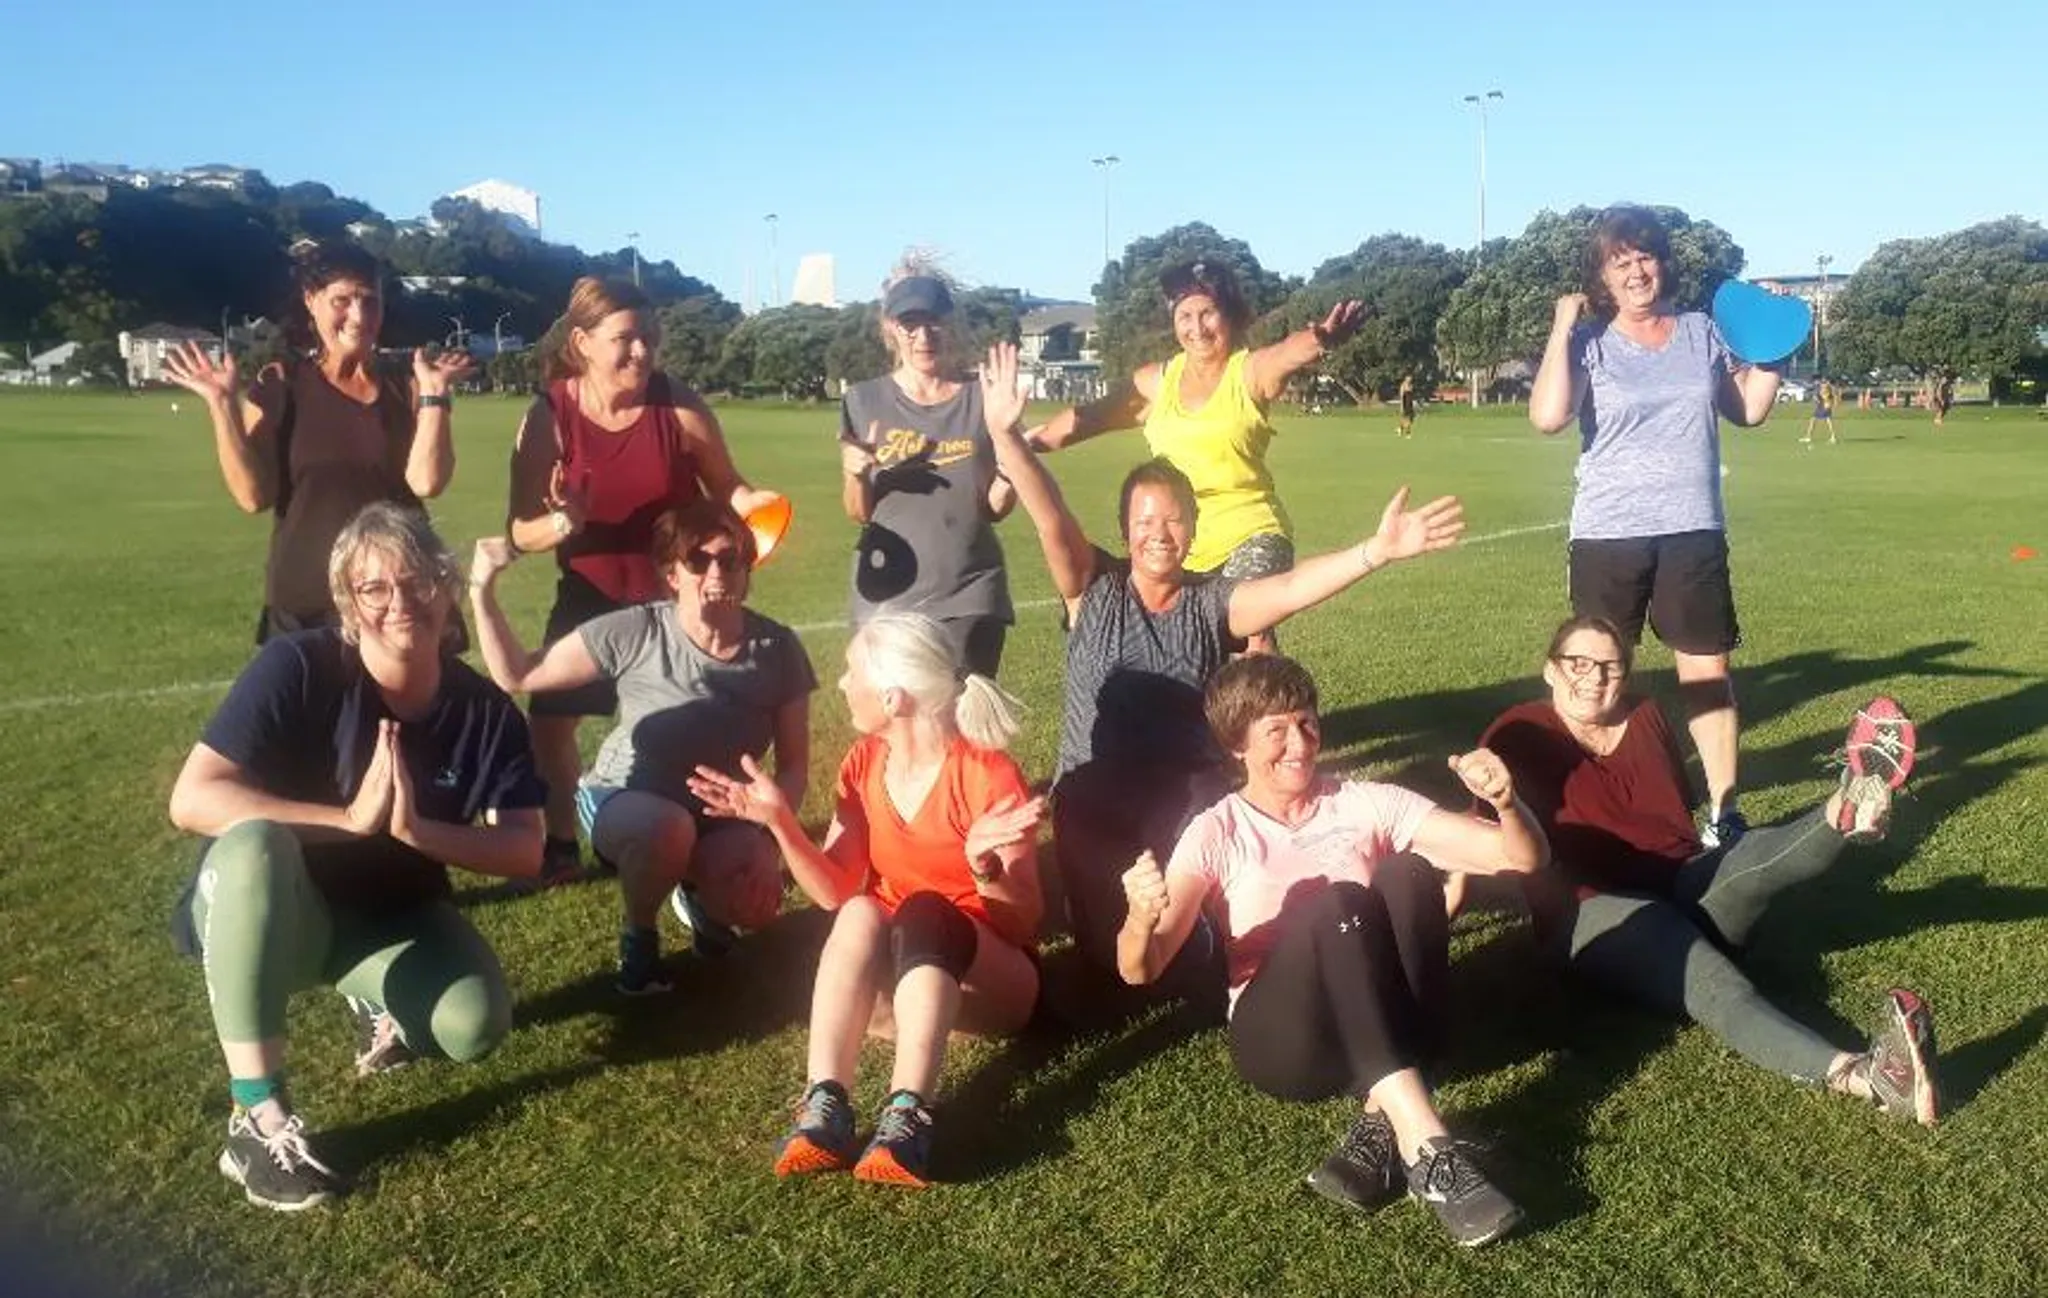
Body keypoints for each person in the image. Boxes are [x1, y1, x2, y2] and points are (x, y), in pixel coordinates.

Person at [979, 341, 1466, 1004]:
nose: (1159, 532)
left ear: (1194, 524)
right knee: (1110, 962)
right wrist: (1007, 436)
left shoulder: (1214, 602)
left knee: (1187, 964)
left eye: (1174, 518)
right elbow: (1046, 511)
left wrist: (1374, 552)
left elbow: (1291, 588)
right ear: (1124, 528)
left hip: (1185, 802)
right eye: (1145, 520)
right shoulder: (1091, 587)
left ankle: (1254, 934)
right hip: (1093, 804)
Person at [165, 503, 546, 1212]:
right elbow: (192, 798)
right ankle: (256, 1115)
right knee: (254, 844)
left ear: (446, 588)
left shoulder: (486, 710)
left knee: (474, 1025)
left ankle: (368, 991)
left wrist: (419, 833)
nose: (401, 602)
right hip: (276, 906)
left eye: (419, 581)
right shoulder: (298, 666)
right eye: (376, 588)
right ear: (348, 603)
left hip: (383, 918)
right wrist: (346, 821)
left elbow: (527, 850)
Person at [1118, 655, 1546, 1247]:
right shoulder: (1217, 831)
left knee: (1409, 875)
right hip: (1288, 1044)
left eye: (1307, 722)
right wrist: (1141, 919)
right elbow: (1142, 967)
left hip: (1380, 1022)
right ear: (1237, 744)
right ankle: (1428, 1147)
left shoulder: (1361, 800)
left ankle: (1382, 1120)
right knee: (1338, 904)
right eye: (1277, 731)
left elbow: (1523, 859)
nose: (1300, 743)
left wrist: (1506, 803)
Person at [1476, 614, 1939, 1127]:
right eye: (1577, 663)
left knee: (1751, 860)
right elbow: (1482, 842)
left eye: (1609, 666)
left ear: (1625, 674)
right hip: (1591, 910)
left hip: (1679, 880)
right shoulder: (1517, 734)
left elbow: (1671, 824)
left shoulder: (1646, 716)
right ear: (1550, 670)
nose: (1593, 677)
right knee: (1710, 977)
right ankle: (1863, 1075)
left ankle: (1847, 806)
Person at [689, 613, 1043, 1188]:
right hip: (910, 973)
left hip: (997, 981)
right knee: (859, 911)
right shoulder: (863, 763)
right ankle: (825, 1106)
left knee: (927, 912)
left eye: (853, 671)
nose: (842, 684)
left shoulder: (985, 773)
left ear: (894, 696)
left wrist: (984, 869)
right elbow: (833, 889)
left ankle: (907, 1117)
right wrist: (780, 823)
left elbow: (1025, 920)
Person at [469, 500, 815, 993]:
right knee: (666, 831)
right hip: (625, 798)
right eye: (698, 560)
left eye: (730, 559)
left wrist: (769, 838)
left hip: (719, 811)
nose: (716, 571)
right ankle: (640, 937)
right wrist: (481, 590)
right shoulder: (639, 630)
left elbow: (795, 765)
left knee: (754, 900)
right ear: (672, 574)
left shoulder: (778, 648)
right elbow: (519, 674)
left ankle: (697, 896)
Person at [503, 276, 782, 881]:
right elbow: (517, 529)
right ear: (582, 342)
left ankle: (689, 831)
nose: (641, 352)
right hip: (590, 598)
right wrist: (561, 522)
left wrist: (752, 499)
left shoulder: (678, 405)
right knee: (550, 722)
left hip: (673, 602)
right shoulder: (549, 415)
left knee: (687, 725)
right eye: (625, 339)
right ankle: (560, 841)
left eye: (650, 338)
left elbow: (725, 483)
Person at [1527, 205, 1782, 849]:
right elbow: (1549, 417)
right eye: (1621, 261)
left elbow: (1746, 409)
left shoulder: (1702, 332)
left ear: (1661, 263)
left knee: (1705, 675)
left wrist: (1775, 344)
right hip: (1608, 532)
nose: (1636, 270)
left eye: (1645, 256)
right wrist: (1562, 329)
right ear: (1603, 277)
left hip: (1692, 528)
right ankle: (1591, 807)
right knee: (1598, 675)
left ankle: (1725, 812)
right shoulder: (1588, 342)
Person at [1028, 261, 1366, 650]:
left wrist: (1318, 339)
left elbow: (1286, 353)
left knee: (1246, 632)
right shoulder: (1158, 382)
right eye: (1185, 316)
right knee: (1184, 645)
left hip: (1251, 533)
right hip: (1177, 539)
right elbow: (1088, 419)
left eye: (1208, 313)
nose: (1197, 327)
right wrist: (1020, 446)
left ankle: (1275, 707)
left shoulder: (1249, 372)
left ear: (1230, 316)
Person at [162, 240, 474, 642]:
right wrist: (222, 404)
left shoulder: (408, 387)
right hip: (307, 605)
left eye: (370, 301)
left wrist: (434, 396)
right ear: (311, 301)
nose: (359, 316)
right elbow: (253, 497)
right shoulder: (282, 384)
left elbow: (428, 483)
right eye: (341, 300)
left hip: (396, 601)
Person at [838, 263, 1016, 676]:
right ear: (890, 329)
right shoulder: (864, 401)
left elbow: (994, 508)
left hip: (969, 595)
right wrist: (856, 474)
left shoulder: (982, 397)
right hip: (887, 598)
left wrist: (1010, 469)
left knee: (967, 735)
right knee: (893, 728)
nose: (923, 336)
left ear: (949, 325)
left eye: (933, 321)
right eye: (909, 324)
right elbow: (859, 513)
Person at [1802, 378, 1838, 445]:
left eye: (1823, 382)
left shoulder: (1826, 388)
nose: (1821, 384)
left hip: (1824, 406)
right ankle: (1808, 436)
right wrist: (1816, 398)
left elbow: (1826, 397)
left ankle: (1833, 437)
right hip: (1821, 406)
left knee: (1827, 421)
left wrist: (1817, 398)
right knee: (1814, 420)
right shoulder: (1823, 388)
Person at [1397, 374, 1418, 438]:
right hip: (1405, 404)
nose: (1409, 379)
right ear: (1406, 378)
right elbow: (1401, 396)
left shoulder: (1411, 386)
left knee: (1411, 419)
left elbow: (1411, 396)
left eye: (1410, 378)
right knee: (1407, 419)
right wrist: (1401, 406)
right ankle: (1408, 433)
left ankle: (1400, 428)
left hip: (1410, 404)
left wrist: (1414, 403)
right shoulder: (1403, 386)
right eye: (1408, 378)